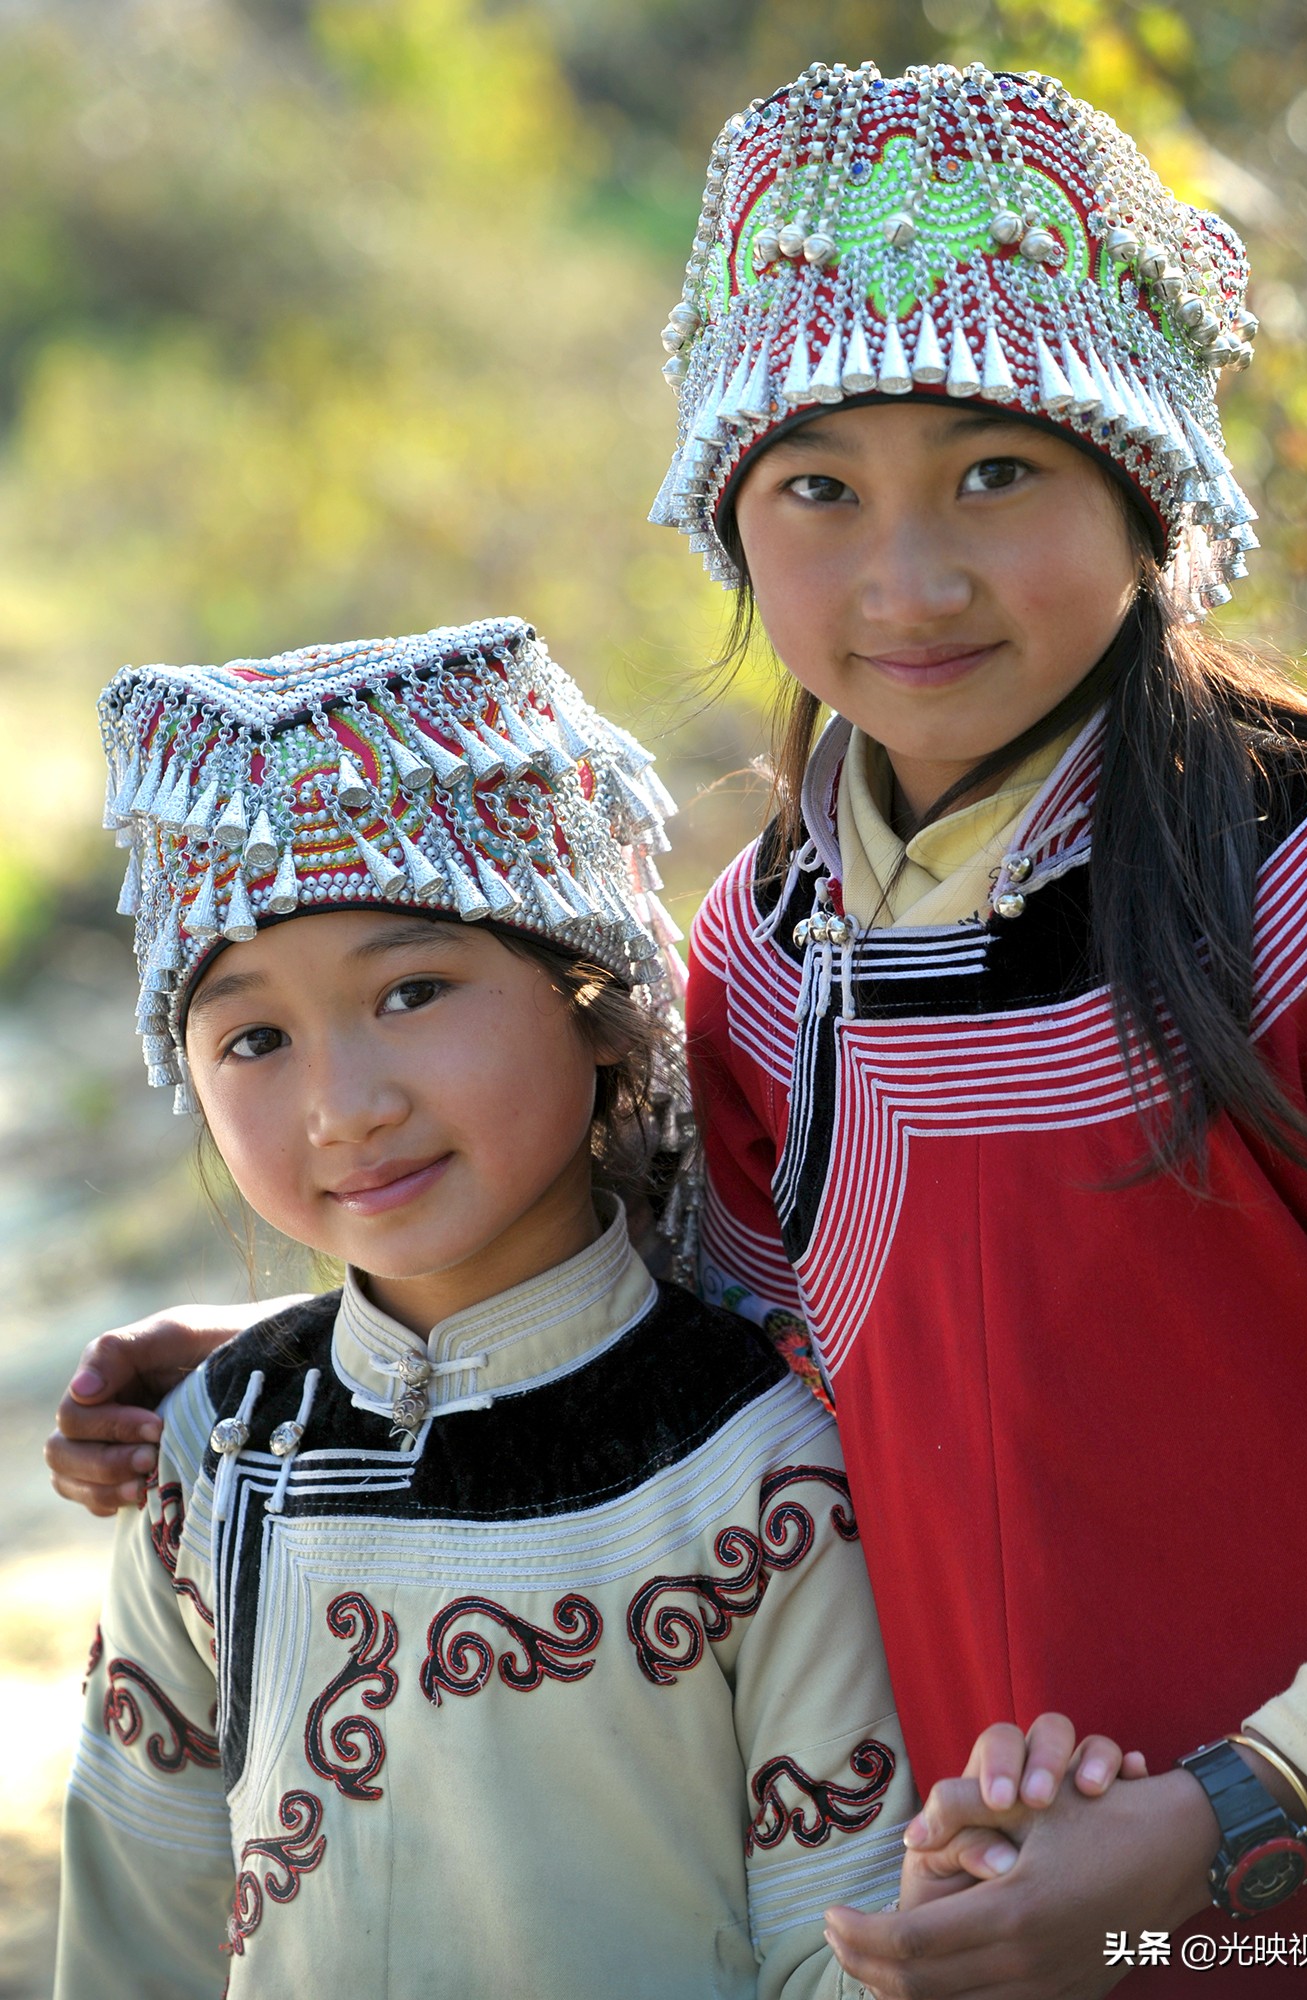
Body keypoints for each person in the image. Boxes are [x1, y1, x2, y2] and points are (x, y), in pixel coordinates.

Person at [47, 59, 1307, 1996]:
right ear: (731, 524)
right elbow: (709, 1341)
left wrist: (1230, 1821)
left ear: (1148, 477)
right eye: (818, 488)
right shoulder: (768, 954)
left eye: (996, 470)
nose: (905, 577)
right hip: (940, 1929)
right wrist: (321, 1356)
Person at [60, 615, 953, 2000]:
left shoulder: (754, 1465)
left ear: (597, 1003)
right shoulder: (215, 1459)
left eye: (414, 990)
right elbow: (137, 1928)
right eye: (254, 1038)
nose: (346, 1105)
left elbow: (838, 1945)